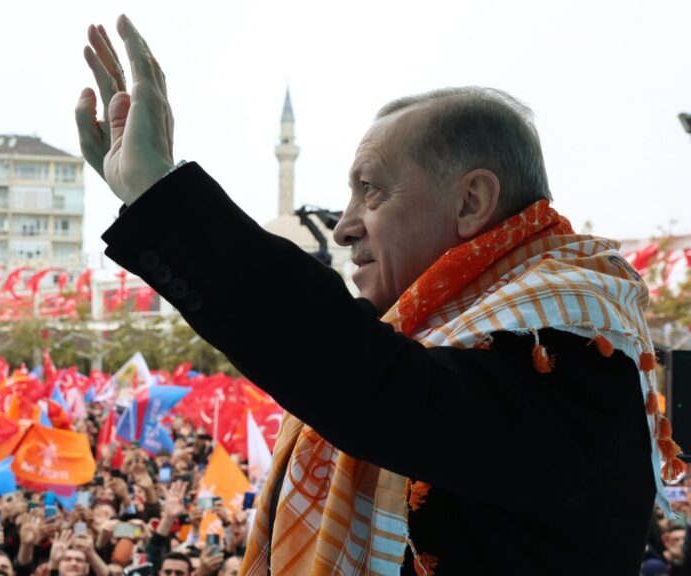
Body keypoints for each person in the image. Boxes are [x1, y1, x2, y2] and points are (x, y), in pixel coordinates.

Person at [75, 15, 674, 575]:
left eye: (371, 191)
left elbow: (362, 372)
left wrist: (163, 196)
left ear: (470, 202)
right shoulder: (446, 341)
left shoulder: (568, 353)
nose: (342, 226)